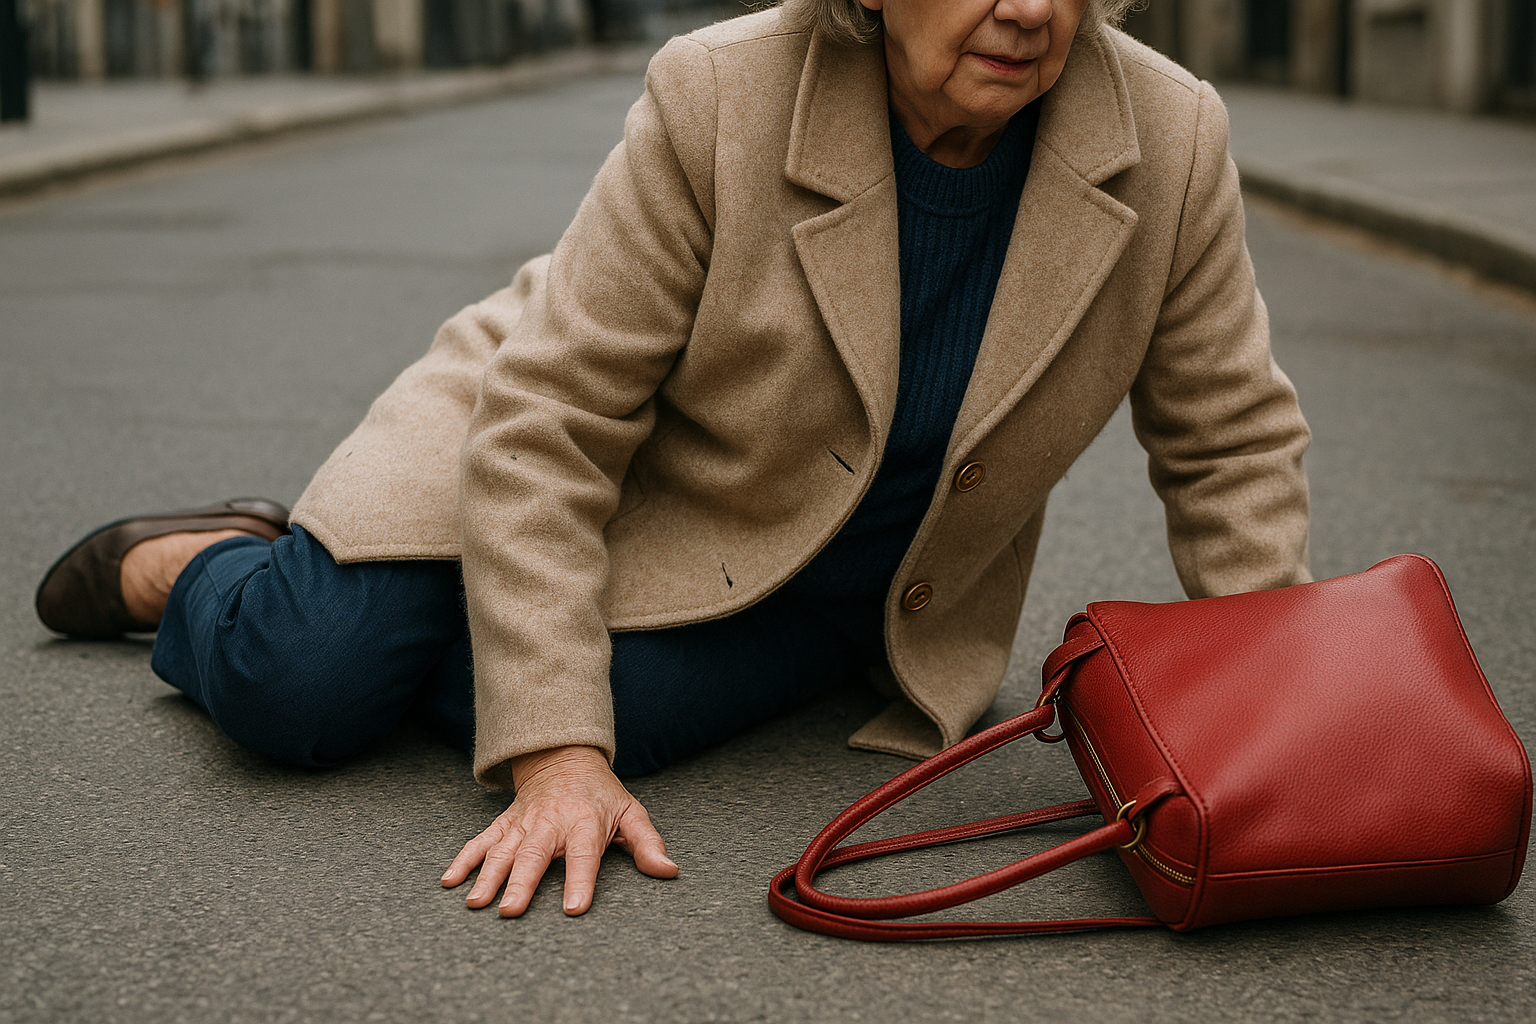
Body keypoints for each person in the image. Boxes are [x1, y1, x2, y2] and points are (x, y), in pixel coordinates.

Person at [34, 0, 1311, 920]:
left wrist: (1278, 739)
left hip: (789, 561)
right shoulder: (722, 92)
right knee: (303, 681)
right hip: (533, 431)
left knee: (572, 705)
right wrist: (554, 757)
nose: (1030, 10)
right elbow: (552, 414)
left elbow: (1228, 440)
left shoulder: (1170, 135)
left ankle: (464, 628)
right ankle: (201, 563)